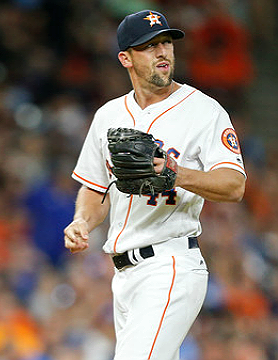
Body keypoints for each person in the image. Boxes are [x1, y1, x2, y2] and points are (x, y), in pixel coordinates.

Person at [63, 9, 246, 360]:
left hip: (170, 263)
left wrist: (176, 173)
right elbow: (95, 187)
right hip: (124, 275)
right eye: (149, 46)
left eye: (166, 43)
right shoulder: (108, 115)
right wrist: (82, 221)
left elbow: (234, 184)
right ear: (125, 58)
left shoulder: (204, 111)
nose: (162, 52)